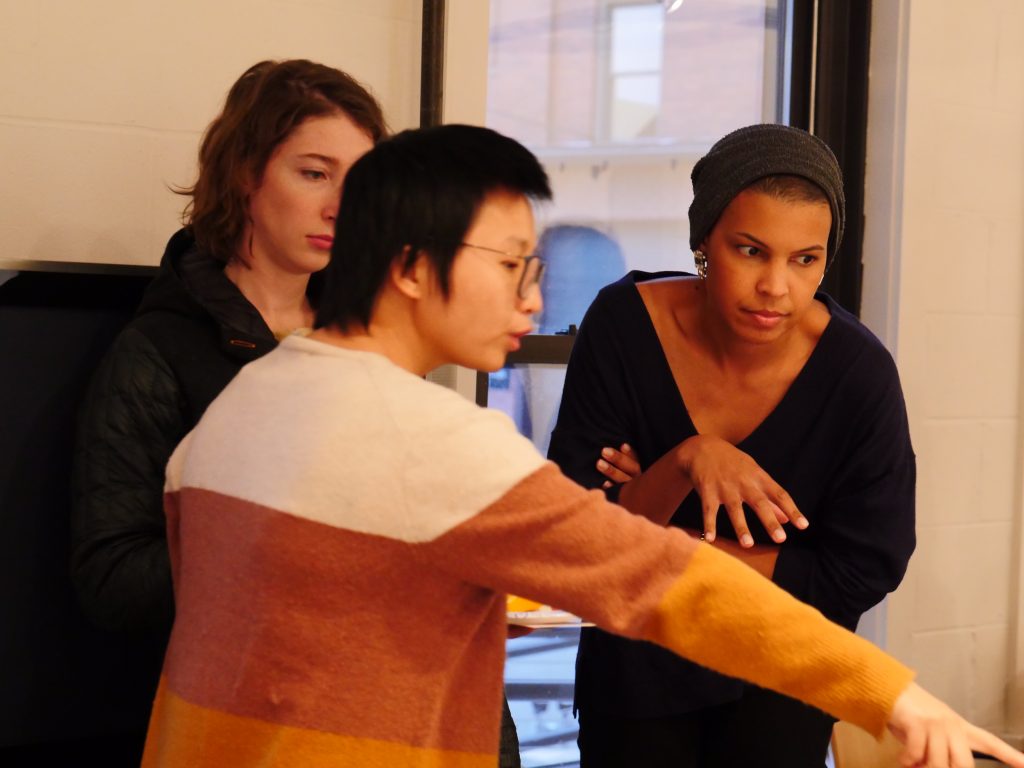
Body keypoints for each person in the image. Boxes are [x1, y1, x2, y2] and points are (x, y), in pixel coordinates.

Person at [140, 123, 1022, 768]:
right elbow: (651, 578)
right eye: (511, 264)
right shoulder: (441, 448)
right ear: (412, 267)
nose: (532, 298)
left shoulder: (241, 408)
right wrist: (889, 694)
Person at [546, 123, 917, 767]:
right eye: (751, 251)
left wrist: (677, 545)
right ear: (703, 243)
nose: (777, 287)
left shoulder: (857, 375)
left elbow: (864, 568)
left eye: (806, 259)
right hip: (636, 668)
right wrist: (689, 459)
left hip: (781, 675)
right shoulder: (624, 326)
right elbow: (581, 537)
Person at [70, 58, 386, 760]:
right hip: (240, 727)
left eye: (359, 181)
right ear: (245, 174)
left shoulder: (377, 341)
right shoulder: (157, 350)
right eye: (314, 172)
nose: (342, 205)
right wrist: (264, 546)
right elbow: (111, 579)